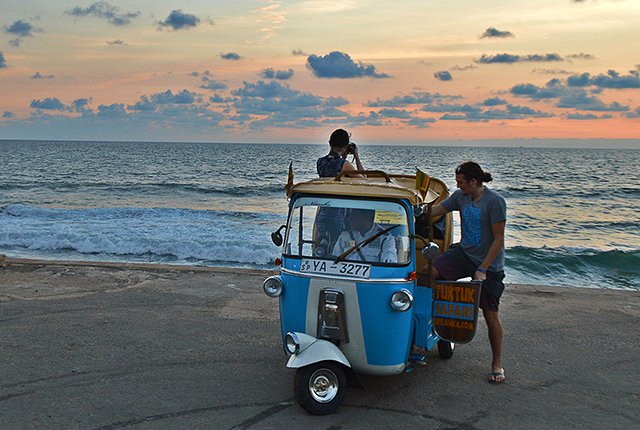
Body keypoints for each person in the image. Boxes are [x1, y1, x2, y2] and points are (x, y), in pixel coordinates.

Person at [429, 161, 507, 383]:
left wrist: (482, 269)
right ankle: (440, 322)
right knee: (431, 272)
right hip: (463, 254)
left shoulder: (495, 202)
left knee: (490, 314)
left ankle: (497, 363)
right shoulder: (460, 197)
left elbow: (498, 240)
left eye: (461, 182)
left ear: (474, 181)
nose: (458, 185)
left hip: (489, 264)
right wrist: (415, 208)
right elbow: (437, 211)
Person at [315, 129, 365, 251]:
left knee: (324, 248)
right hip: (338, 214)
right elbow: (364, 180)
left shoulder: (320, 162)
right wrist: (356, 156)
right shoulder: (344, 164)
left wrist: (343, 156)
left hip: (322, 213)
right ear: (346, 146)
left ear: (329, 143)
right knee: (338, 249)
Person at [332, 209, 397, 263]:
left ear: (367, 218)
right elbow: (335, 259)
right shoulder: (345, 236)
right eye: (349, 215)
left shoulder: (385, 238)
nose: (349, 219)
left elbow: (390, 262)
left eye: (355, 216)